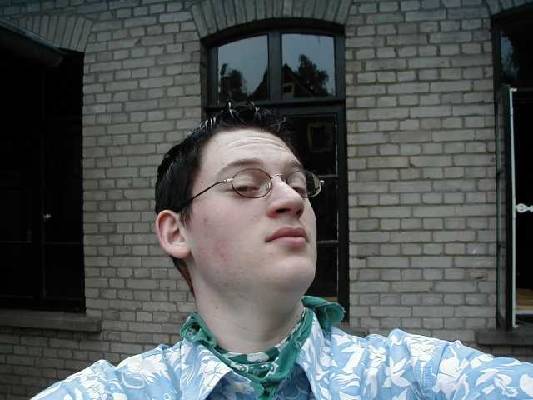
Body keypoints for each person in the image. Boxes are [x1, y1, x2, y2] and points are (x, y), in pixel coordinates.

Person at [34, 103, 533, 399]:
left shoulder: (412, 375)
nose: (292, 199)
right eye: (246, 184)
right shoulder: (119, 392)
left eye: (297, 183)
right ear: (176, 232)